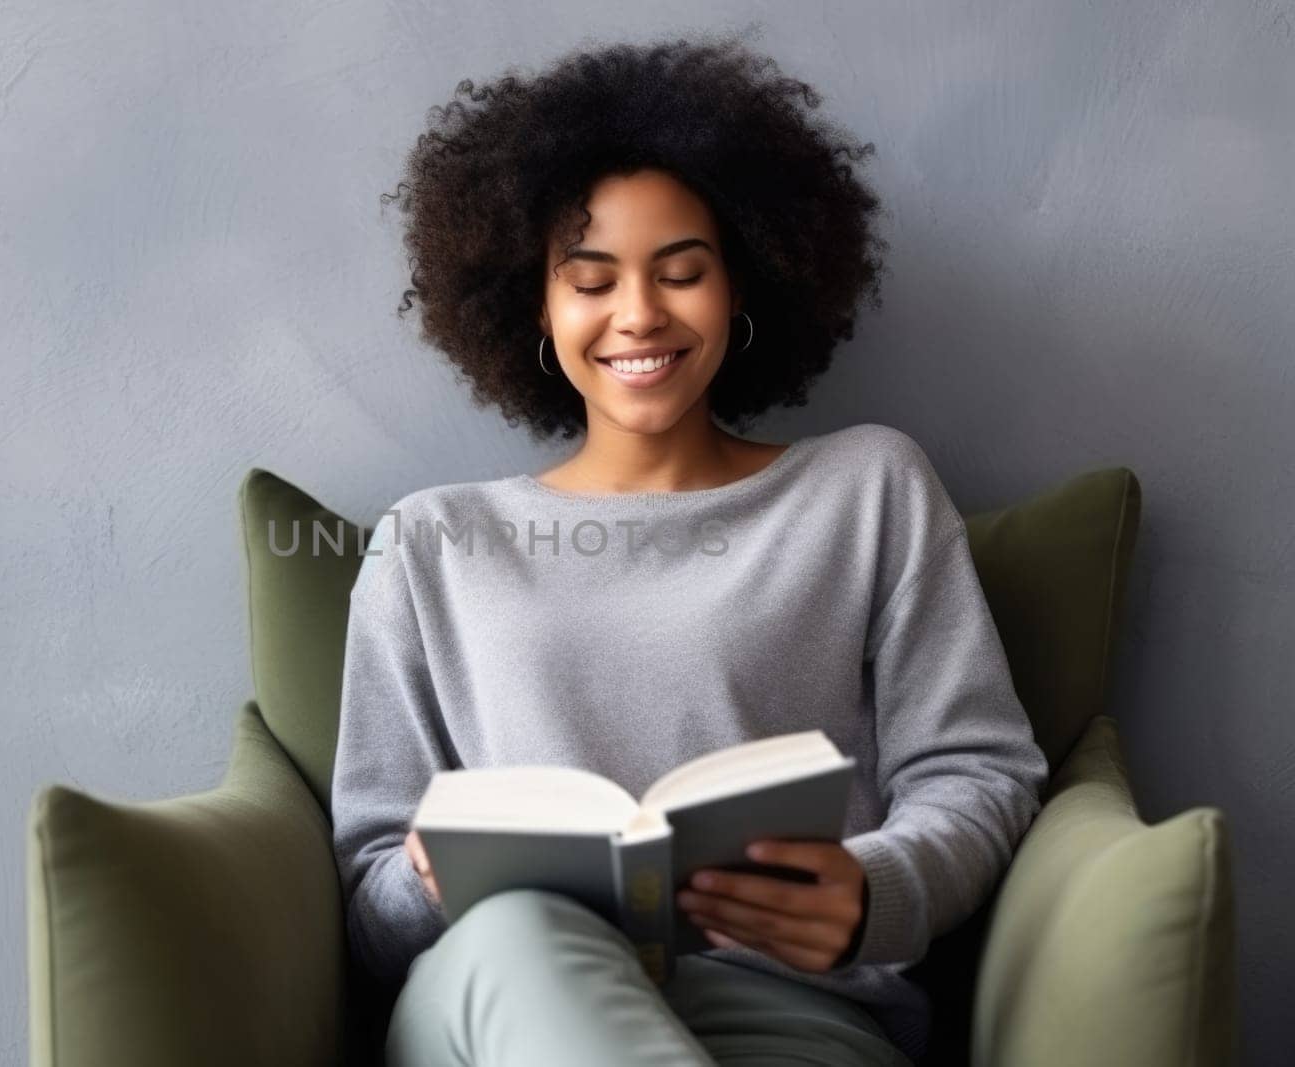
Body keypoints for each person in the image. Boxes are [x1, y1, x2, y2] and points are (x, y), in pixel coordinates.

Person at [330, 32, 1049, 1066]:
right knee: (519, 934)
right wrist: (424, 876)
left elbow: (977, 770)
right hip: (498, 995)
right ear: (531, 301)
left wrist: (873, 890)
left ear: (743, 284)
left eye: (681, 272)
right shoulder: (432, 541)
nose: (638, 314)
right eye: (590, 279)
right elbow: (369, 891)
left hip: (787, 1011)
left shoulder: (865, 488)